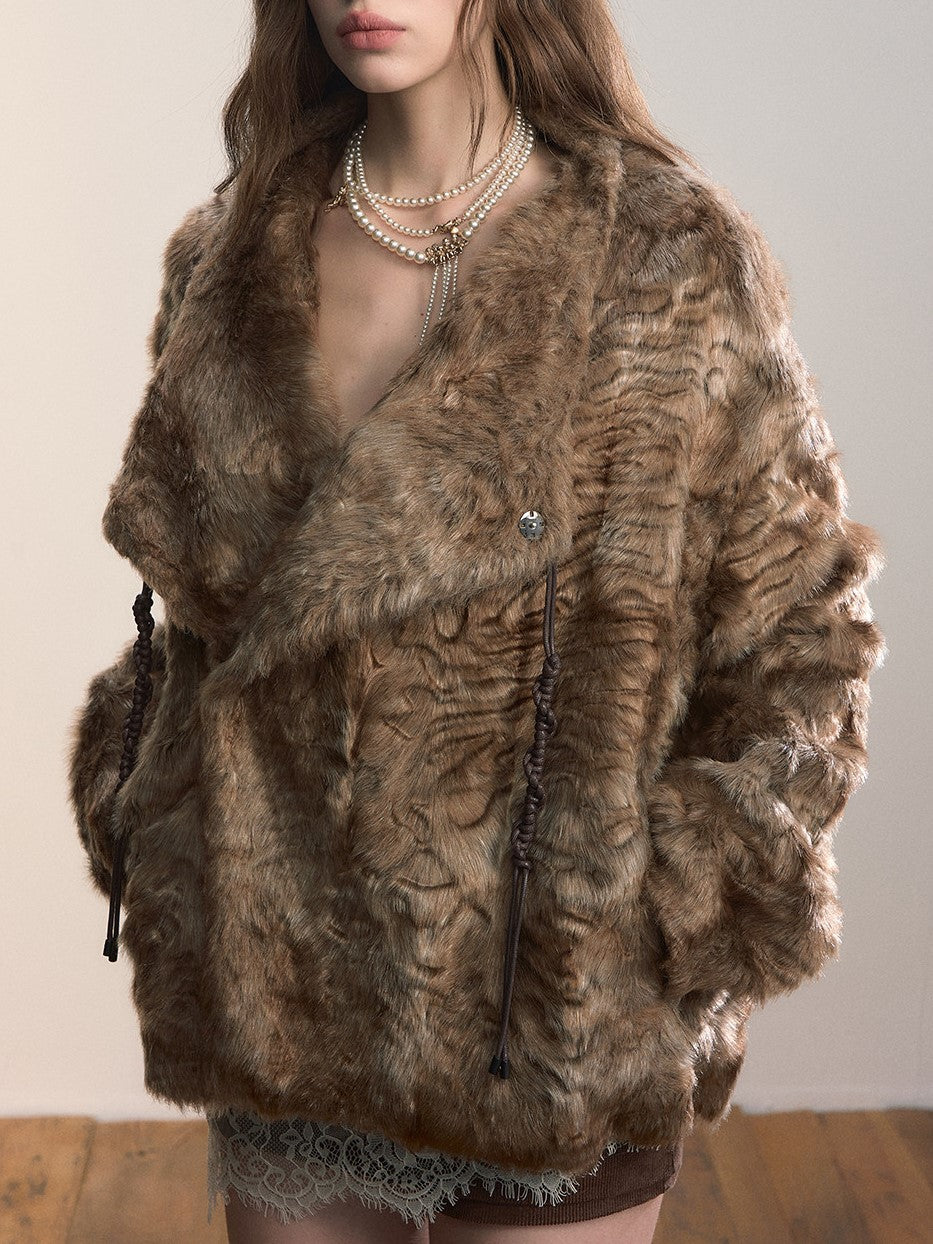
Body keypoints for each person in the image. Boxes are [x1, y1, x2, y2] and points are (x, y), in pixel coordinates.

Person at [67, 2, 887, 1242]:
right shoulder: (229, 258)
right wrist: (145, 804)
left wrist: (653, 900)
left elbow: (805, 634)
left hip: (544, 1022)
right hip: (285, 1008)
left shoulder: (661, 260)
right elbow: (200, 628)